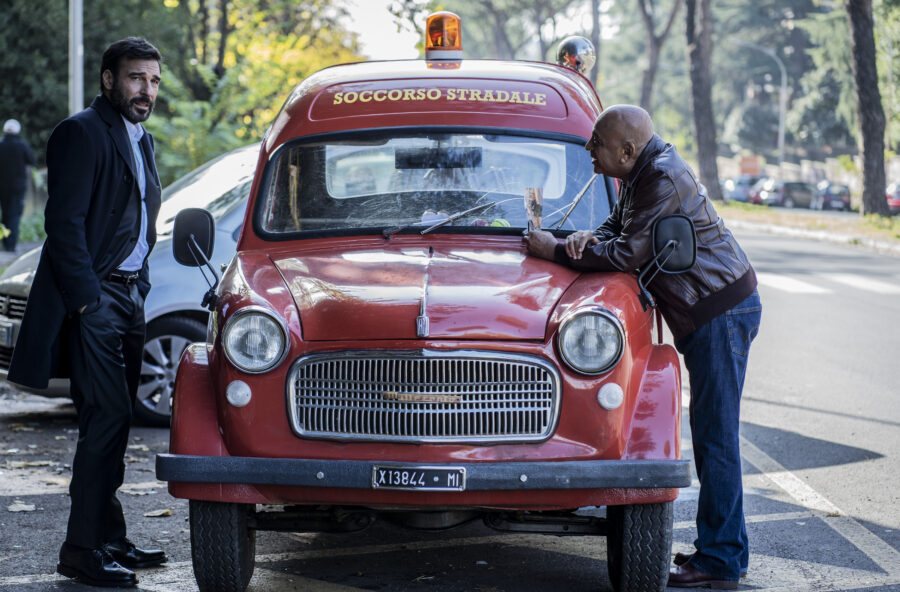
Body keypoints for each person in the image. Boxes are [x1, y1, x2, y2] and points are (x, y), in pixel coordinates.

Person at [525, 105, 761, 590]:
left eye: (596, 143)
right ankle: (724, 551)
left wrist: (552, 248)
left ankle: (721, 561)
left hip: (720, 313)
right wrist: (580, 238)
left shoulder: (659, 179)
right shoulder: (642, 173)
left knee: (716, 437)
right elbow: (618, 232)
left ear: (627, 151)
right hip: (709, 311)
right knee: (713, 433)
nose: (589, 150)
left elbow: (629, 253)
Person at [8, 37, 167, 588]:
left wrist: (140, 284)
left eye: (152, 80)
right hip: (96, 298)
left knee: (115, 423)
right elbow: (65, 224)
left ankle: (108, 536)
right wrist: (87, 299)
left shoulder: (141, 138)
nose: (145, 90)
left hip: (129, 296)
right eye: (134, 78)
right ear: (108, 80)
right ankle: (80, 550)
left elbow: (139, 219)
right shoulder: (81, 131)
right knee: (106, 419)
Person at [0, 118, 37, 252]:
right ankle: (11, 245)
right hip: (18, 187)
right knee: (14, 215)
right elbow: (32, 160)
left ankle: (4, 242)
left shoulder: (1, 144)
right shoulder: (22, 145)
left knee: (5, 214)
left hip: (2, 186)